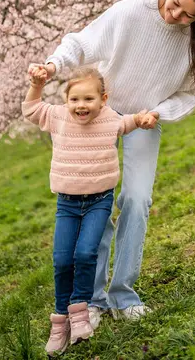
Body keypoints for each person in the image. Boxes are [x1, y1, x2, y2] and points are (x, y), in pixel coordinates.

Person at [29, 0, 195, 329]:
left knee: (137, 200)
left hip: (144, 120)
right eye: (176, 5)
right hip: (99, 119)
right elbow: (84, 43)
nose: (177, 16)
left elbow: (191, 92)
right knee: (95, 204)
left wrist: (158, 113)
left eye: (190, 15)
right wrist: (53, 65)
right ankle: (91, 300)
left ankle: (123, 294)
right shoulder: (131, 12)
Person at [22, 65, 154, 356]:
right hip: (67, 204)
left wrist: (143, 119)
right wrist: (36, 84)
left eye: (89, 100)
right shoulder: (57, 116)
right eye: (75, 100)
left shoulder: (110, 119)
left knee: (85, 254)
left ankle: (81, 314)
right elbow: (31, 109)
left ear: (103, 99)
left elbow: (129, 121)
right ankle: (61, 321)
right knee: (61, 260)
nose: (81, 106)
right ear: (66, 100)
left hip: (99, 201)